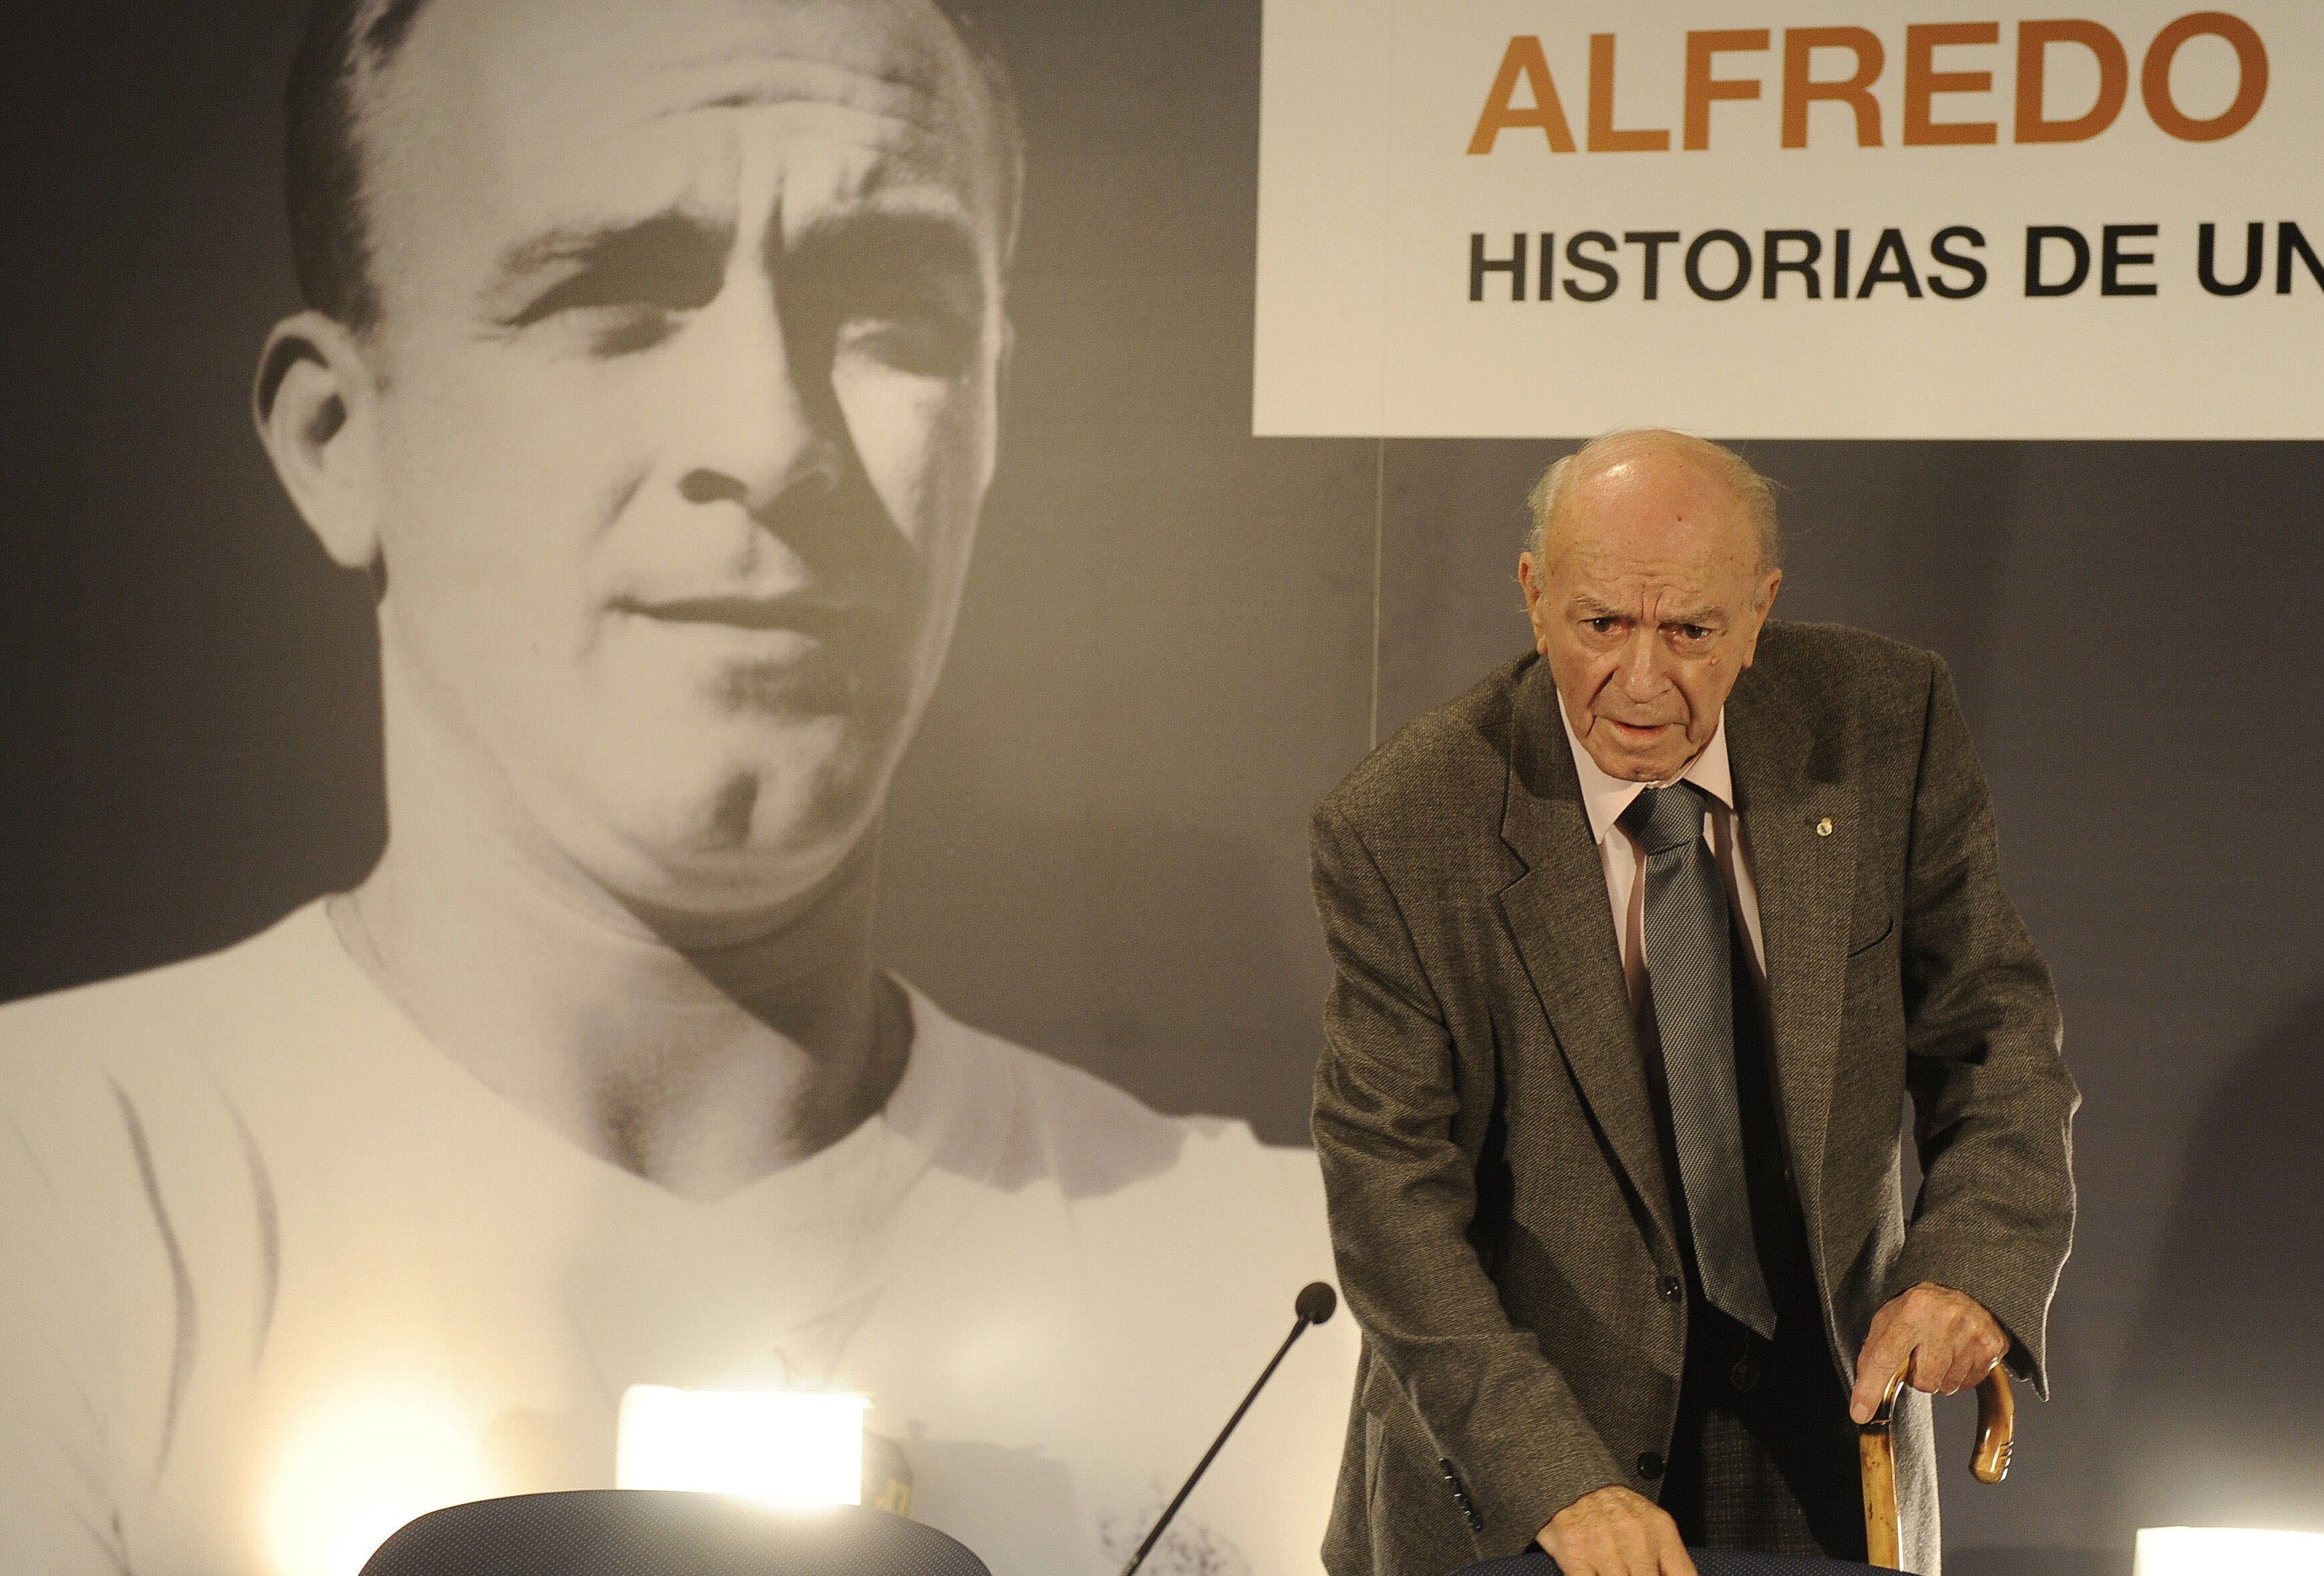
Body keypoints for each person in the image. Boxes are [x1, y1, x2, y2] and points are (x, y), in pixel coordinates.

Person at [0, 1, 1352, 1573]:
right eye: (609, 298)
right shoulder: (48, 1192)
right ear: (333, 438)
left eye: (890, 312)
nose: (771, 442)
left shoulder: (1290, 1298)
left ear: (993, 417)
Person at [1307, 430, 2077, 1576]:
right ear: (1534, 596)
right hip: (1535, 1462)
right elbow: (1390, 1200)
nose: (1640, 679)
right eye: (1601, 622)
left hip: (1826, 1426)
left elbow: (1997, 1037)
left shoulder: (1883, 724)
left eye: (1690, 631)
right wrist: (1559, 1480)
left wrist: (1969, 1267)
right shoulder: (1407, 823)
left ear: (1760, 610)